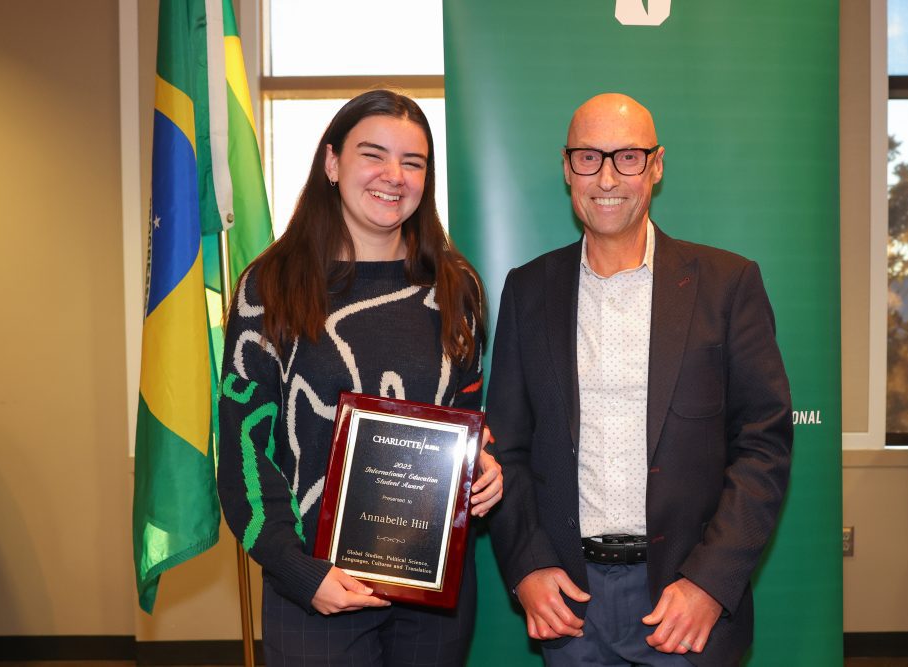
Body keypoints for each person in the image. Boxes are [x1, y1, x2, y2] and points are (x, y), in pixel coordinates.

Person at [485, 92, 792, 666]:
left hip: (684, 603)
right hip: (569, 605)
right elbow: (507, 449)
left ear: (656, 165)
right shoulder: (528, 290)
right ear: (566, 166)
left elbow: (763, 447)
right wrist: (527, 565)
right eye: (587, 157)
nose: (606, 177)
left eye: (627, 157)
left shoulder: (727, 284)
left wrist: (710, 582)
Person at [217, 89, 502, 666]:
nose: (393, 176)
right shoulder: (270, 288)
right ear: (331, 163)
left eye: (413, 162)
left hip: (431, 594)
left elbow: (469, 416)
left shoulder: (456, 287)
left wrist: (484, 466)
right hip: (316, 592)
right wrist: (300, 573)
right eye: (373, 154)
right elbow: (243, 454)